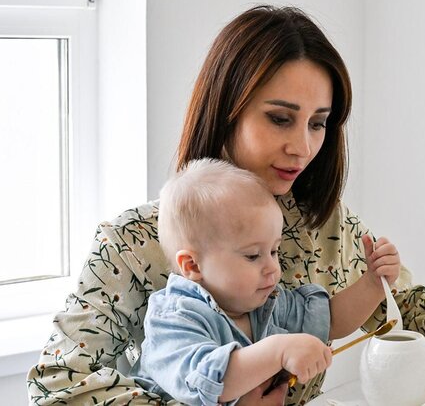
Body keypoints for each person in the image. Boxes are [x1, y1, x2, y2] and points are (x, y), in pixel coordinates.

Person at [27, 5, 425, 406]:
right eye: (280, 118)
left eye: (317, 124)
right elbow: (58, 388)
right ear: (226, 109)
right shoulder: (131, 243)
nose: (303, 147)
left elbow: (396, 305)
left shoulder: (325, 222)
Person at [133, 158, 399, 405]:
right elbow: (212, 380)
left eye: (274, 251)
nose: (272, 267)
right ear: (192, 265)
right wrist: (278, 351)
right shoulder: (174, 318)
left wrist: (374, 283)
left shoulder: (266, 302)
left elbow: (330, 320)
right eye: (252, 255)